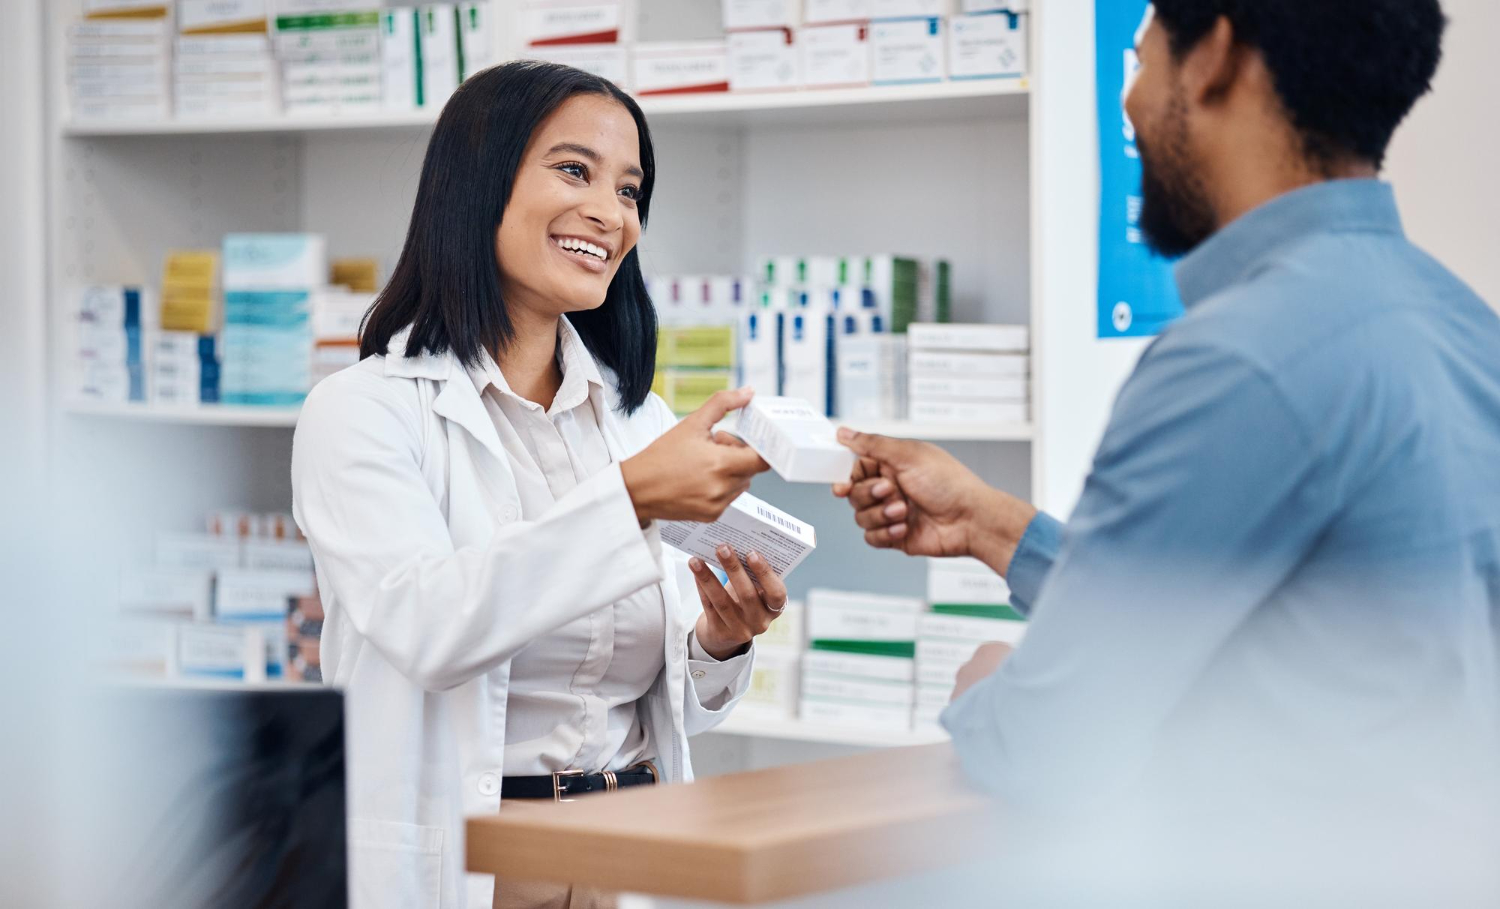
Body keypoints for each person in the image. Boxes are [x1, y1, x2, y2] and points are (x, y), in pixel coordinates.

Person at [836, 0, 1500, 892]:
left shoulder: (1238, 354)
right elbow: (1285, 617)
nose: (1133, 104)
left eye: (1141, 63)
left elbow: (1048, 744)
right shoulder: (1463, 325)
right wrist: (993, 525)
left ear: (1215, 56)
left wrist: (987, 686)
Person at [292, 62, 787, 909]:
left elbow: (662, 700)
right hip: (480, 864)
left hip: (638, 854)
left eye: (630, 189)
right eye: (574, 170)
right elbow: (429, 628)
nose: (610, 212)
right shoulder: (362, 412)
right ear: (478, 184)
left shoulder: (635, 419)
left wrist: (718, 640)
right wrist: (631, 497)